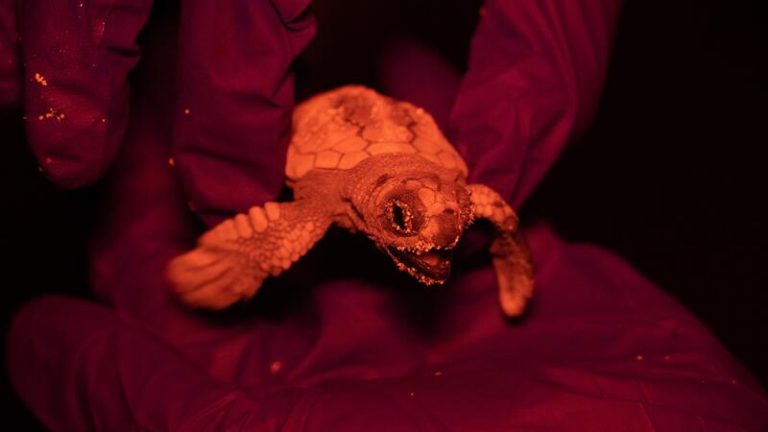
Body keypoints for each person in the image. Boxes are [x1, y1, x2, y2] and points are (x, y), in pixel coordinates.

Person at [4, 1, 767, 429]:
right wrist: (236, 259)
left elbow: (485, 212)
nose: (439, 237)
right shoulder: (327, 198)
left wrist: (502, 250)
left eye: (450, 220)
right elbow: (260, 241)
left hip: (408, 139)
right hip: (325, 132)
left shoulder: (459, 196)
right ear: (378, 210)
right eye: (408, 221)